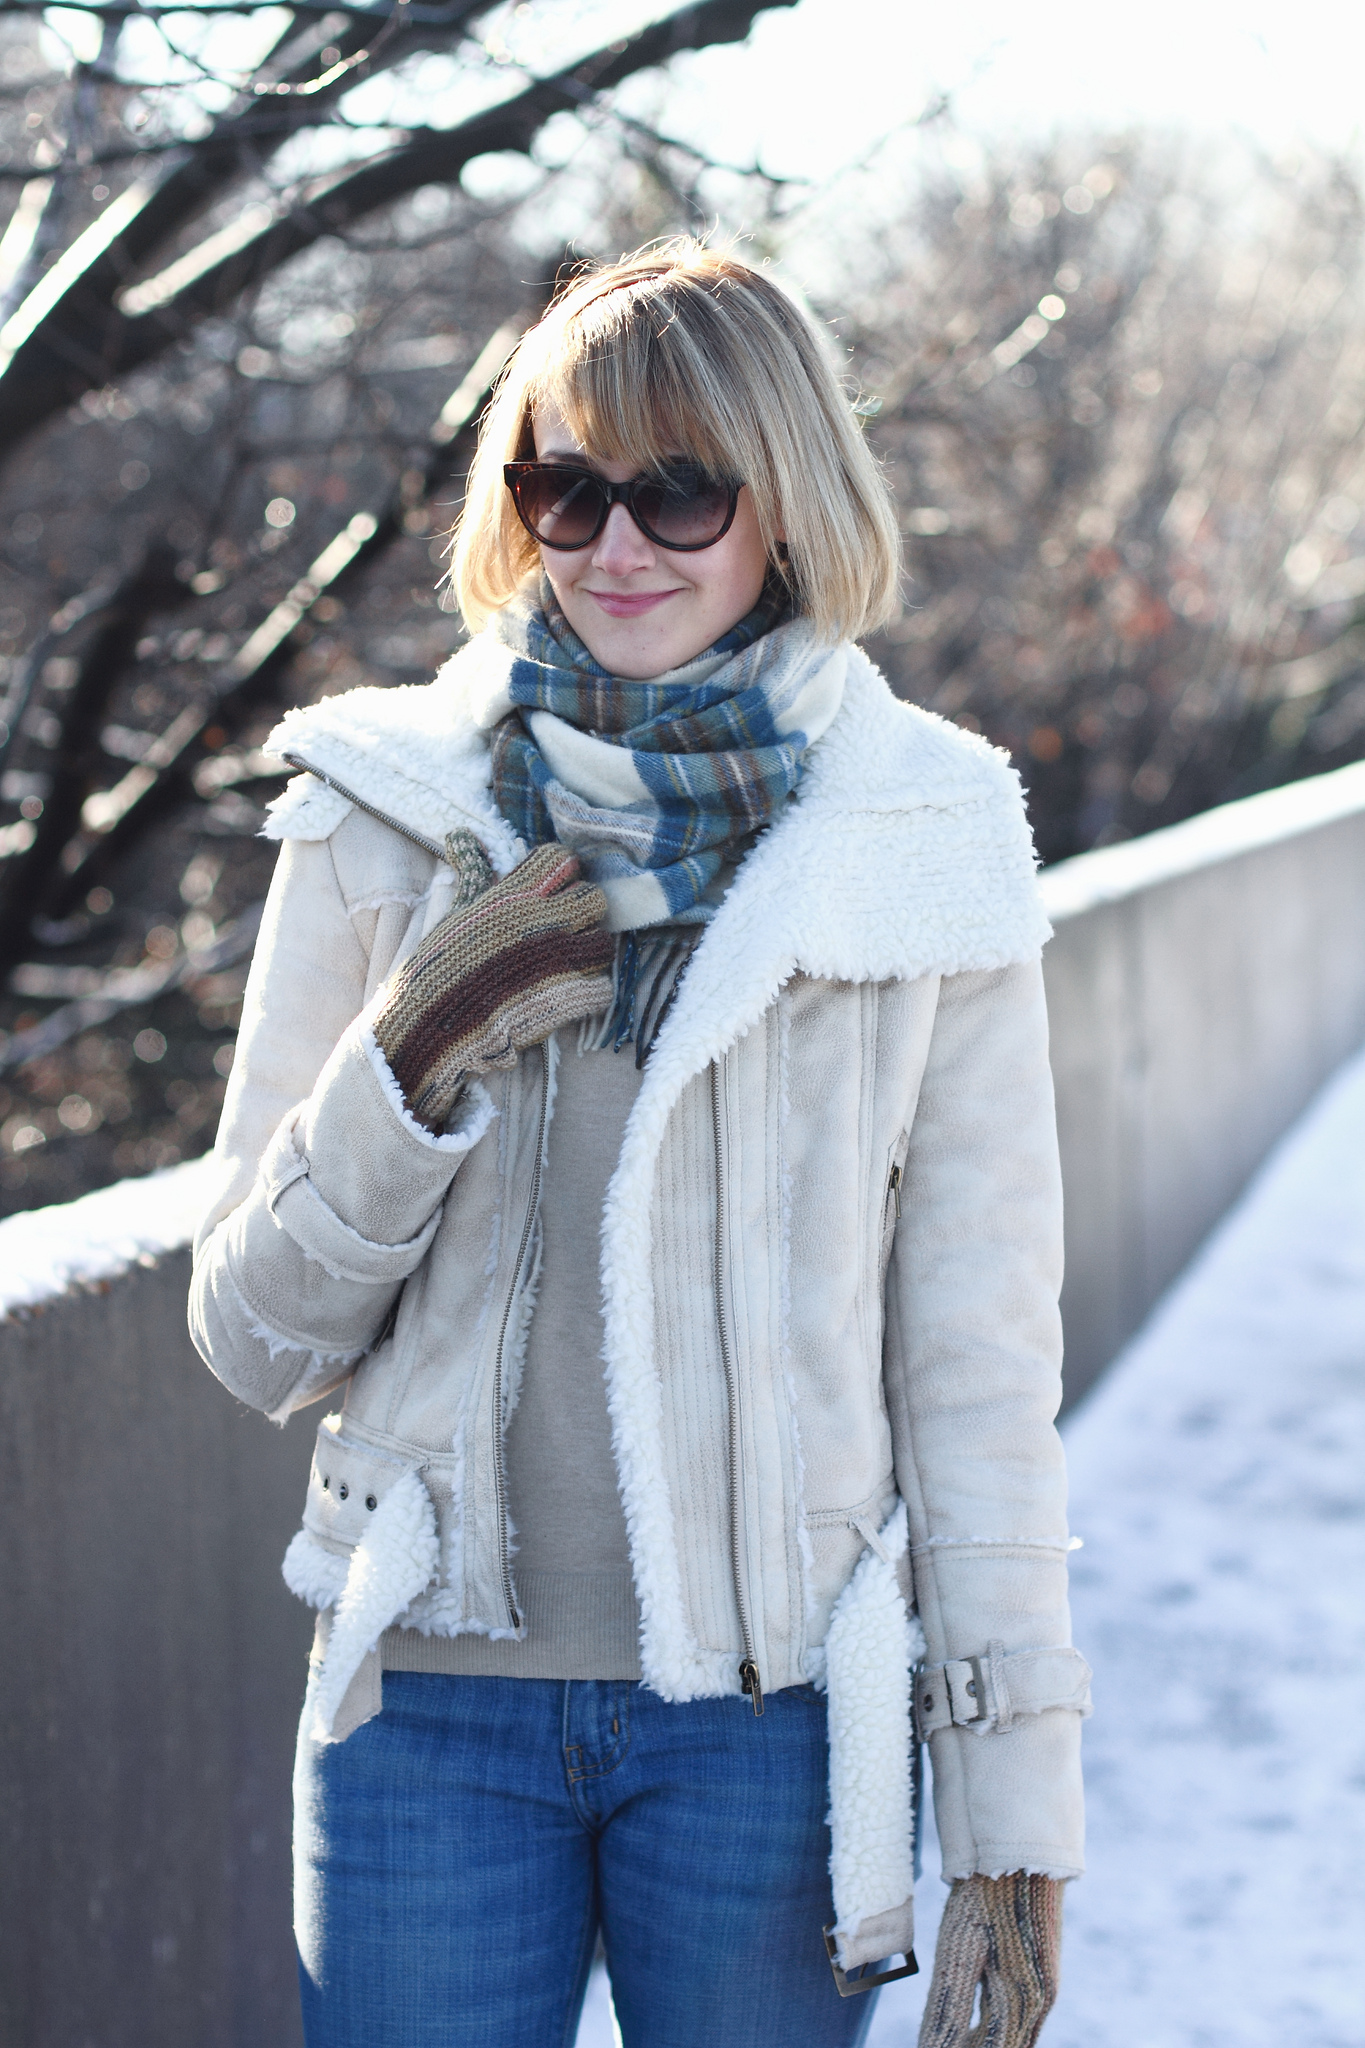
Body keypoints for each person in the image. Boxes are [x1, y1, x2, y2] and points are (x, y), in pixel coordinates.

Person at [190, 240, 1090, 2048]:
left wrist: (1011, 1810)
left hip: (763, 1726)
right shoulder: (384, 809)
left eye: (677, 490)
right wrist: (412, 1050)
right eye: (566, 486)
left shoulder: (916, 834)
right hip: (425, 1712)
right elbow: (252, 1334)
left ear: (784, 497)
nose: (615, 546)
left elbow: (978, 1371)